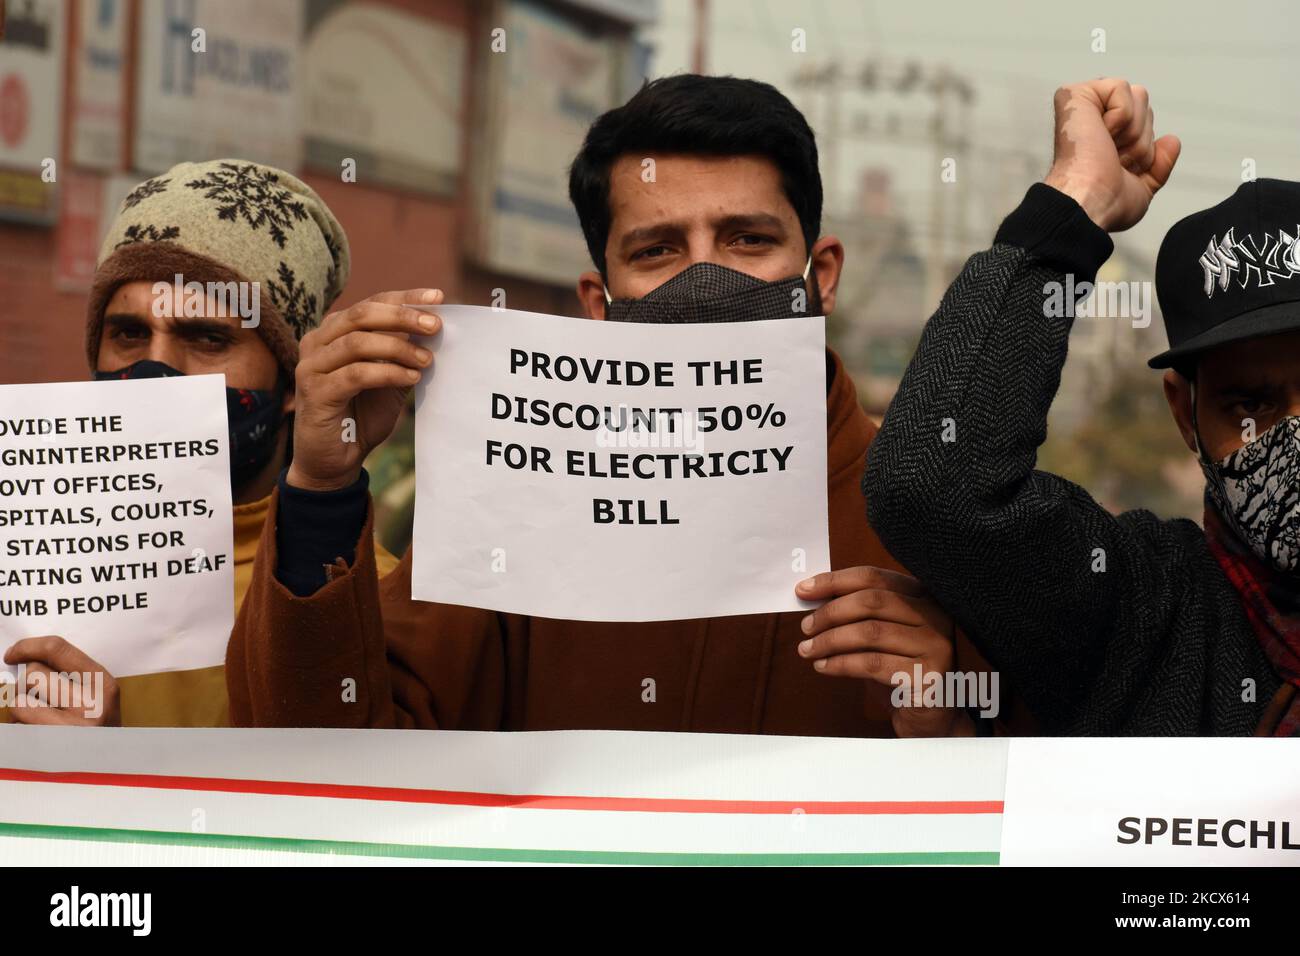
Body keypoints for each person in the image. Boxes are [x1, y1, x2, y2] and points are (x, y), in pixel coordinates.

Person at [226, 76, 1021, 737]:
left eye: (748, 240)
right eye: (658, 251)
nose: (708, 282)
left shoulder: (935, 516)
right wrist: (321, 489)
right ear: (599, 305)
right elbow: (332, 754)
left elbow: (1076, 803)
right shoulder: (512, 513)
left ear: (823, 274)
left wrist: (957, 720)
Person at [864, 76, 1296, 735]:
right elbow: (931, 481)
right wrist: (1073, 207)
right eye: (1251, 406)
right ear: (1186, 416)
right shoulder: (1140, 612)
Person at [2, 159, 399, 727]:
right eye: (129, 334)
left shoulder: (362, 599)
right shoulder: (18, 559)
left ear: (290, 385)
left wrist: (102, 780)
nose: (155, 369)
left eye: (208, 338)